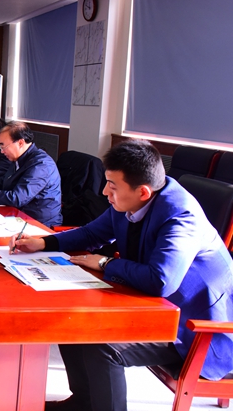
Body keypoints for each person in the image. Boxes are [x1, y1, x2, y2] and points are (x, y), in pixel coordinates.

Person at [12, 139, 233, 411]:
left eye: (112, 186)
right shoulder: (132, 201)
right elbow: (92, 233)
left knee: (102, 344)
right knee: (70, 322)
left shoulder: (181, 216)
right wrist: (44, 243)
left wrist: (105, 263)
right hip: (156, 307)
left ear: (142, 191)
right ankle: (83, 403)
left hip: (195, 330)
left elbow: (161, 280)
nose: (105, 191)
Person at [0, 121, 62, 227]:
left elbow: (17, 198)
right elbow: (3, 183)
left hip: (38, 224)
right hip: (17, 215)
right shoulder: (19, 158)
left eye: (3, 146)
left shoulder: (41, 165)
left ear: (20, 143)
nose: (2, 151)